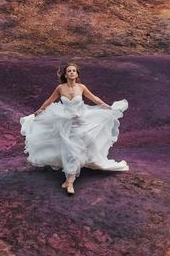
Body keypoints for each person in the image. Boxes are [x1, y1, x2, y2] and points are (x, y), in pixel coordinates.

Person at [20, 62, 129, 195]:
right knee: (71, 150)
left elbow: (94, 98)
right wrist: (40, 110)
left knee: (77, 148)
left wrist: (108, 107)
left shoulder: (81, 87)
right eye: (69, 71)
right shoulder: (60, 88)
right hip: (66, 123)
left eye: (74, 71)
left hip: (80, 122)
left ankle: (69, 180)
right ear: (65, 75)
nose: (71, 72)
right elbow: (49, 101)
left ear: (77, 74)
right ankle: (70, 181)